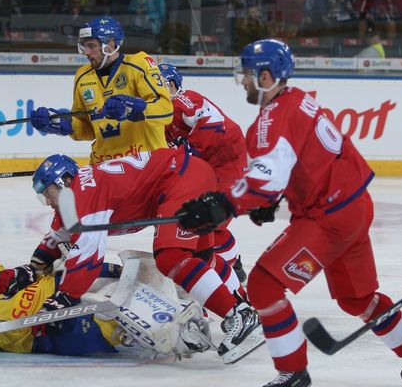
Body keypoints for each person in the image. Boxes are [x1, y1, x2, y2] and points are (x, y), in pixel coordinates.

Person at [176, 38, 402, 387]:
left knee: (264, 285)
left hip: (328, 216)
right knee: (357, 298)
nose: (243, 81)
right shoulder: (299, 100)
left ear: (267, 77)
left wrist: (223, 203)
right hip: (353, 206)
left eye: (248, 75)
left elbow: (267, 177)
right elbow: (299, 165)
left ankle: (293, 376)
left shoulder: (274, 118)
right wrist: (270, 201)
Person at [30, 151, 264, 365]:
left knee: (172, 257)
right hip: (190, 173)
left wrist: (65, 297)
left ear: (66, 181)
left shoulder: (83, 196)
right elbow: (57, 235)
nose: (48, 202)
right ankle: (246, 307)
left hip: (180, 181)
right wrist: (31, 269)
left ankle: (240, 315)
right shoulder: (78, 193)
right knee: (200, 260)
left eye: (48, 193)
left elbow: (88, 259)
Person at [0, 254, 212, 359]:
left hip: (52, 288)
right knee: (104, 313)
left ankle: (179, 291)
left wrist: (40, 270)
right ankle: (171, 335)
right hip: (36, 328)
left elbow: (14, 277)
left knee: (94, 269)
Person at [29, 16, 173, 165]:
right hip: (104, 168)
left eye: (91, 46)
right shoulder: (82, 76)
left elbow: (166, 110)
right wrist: (62, 123)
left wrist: (132, 107)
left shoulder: (139, 65)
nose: (87, 52)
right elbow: (87, 127)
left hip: (146, 166)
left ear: (110, 44)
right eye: (85, 46)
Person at [158, 63, 248, 282]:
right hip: (205, 168)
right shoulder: (159, 117)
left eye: (157, 85)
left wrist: (189, 148)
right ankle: (227, 265)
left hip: (229, 164)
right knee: (201, 221)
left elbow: (211, 121)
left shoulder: (184, 100)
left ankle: (232, 268)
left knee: (213, 222)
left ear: (171, 85)